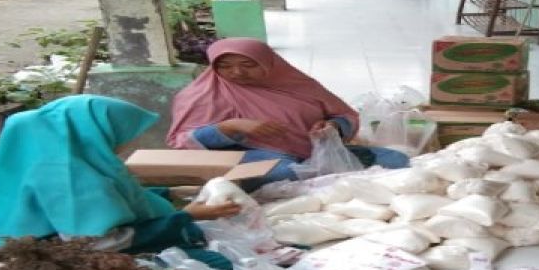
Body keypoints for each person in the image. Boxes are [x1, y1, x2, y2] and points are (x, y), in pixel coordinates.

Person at [0, 95, 239, 269]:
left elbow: (120, 196)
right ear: (93, 134)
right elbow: (97, 243)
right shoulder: (68, 178)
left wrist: (171, 192)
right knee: (221, 263)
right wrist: (184, 216)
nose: (131, 143)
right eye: (125, 135)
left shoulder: (48, 157)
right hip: (56, 262)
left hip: (58, 250)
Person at [167, 39, 408, 186]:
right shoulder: (203, 94)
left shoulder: (299, 85)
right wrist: (230, 127)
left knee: (395, 159)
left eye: (248, 65)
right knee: (286, 174)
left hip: (313, 150)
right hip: (255, 155)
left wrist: (332, 127)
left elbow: (344, 115)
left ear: (268, 63)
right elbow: (181, 142)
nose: (237, 73)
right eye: (225, 66)